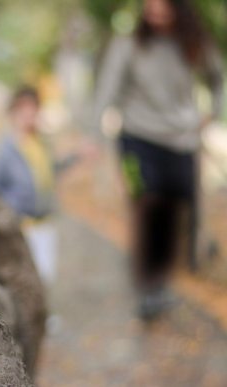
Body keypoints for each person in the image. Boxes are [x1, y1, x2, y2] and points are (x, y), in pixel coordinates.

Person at [92, 0, 224, 320]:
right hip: (138, 140)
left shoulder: (193, 43)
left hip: (181, 142)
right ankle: (146, 288)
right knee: (147, 208)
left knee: (172, 215)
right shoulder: (129, 44)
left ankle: (163, 281)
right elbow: (106, 92)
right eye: (150, 7)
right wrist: (95, 137)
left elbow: (217, 77)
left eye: (162, 7)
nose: (155, 13)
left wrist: (211, 115)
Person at [0, 86, 78, 283]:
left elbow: (50, 171)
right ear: (13, 112)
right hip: (22, 225)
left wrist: (76, 157)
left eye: (33, 109)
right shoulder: (7, 149)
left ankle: (46, 314)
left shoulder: (41, 144)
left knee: (45, 276)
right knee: (24, 279)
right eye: (24, 109)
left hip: (45, 222)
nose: (29, 115)